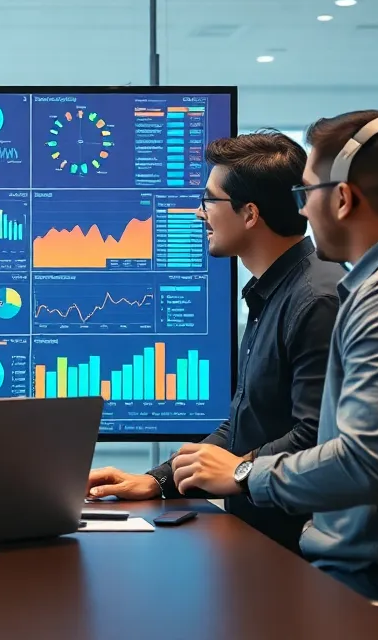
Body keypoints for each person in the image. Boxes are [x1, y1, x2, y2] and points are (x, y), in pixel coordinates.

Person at [170, 110, 378, 607]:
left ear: (343, 199)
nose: (302, 213)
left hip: (371, 583)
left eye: (307, 195)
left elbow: (368, 463)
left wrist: (242, 474)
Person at [85, 131, 343, 553]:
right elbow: (245, 424)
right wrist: (157, 479)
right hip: (258, 543)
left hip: (291, 554)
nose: (199, 213)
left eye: (209, 200)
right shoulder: (274, 293)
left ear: (250, 214)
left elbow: (316, 436)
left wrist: (240, 469)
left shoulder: (317, 300)